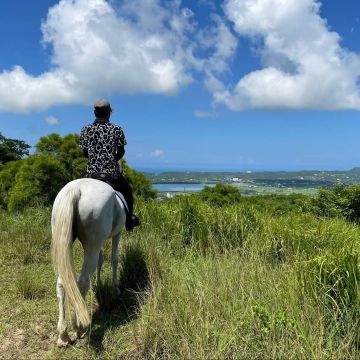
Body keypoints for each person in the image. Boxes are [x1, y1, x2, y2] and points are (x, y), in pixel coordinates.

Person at [79, 99, 140, 231]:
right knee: (127, 192)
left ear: (95, 113)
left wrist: (95, 158)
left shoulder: (85, 129)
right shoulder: (116, 129)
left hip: (91, 173)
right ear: (109, 113)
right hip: (111, 173)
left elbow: (85, 153)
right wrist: (112, 159)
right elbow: (121, 151)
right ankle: (129, 221)